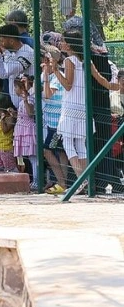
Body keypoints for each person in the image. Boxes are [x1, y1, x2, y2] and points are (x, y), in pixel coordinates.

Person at [49, 30, 112, 194]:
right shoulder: (87, 61)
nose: (60, 43)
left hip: (71, 107)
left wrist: (55, 70)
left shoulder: (70, 60)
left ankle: (81, 180)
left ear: (68, 44)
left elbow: (68, 85)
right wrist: (116, 87)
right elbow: (103, 80)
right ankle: (87, 180)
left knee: (68, 142)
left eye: (62, 41)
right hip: (84, 107)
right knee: (80, 145)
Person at [40, 45, 70, 195]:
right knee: (62, 152)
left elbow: (47, 94)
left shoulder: (56, 77)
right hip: (52, 121)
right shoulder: (53, 76)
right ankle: (63, 182)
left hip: (57, 123)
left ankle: (62, 182)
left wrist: (45, 75)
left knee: (47, 150)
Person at [0, 24, 35, 108]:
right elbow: (2, 74)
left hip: (29, 106)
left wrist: (4, 53)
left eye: (2, 41)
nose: (0, 44)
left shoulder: (27, 53)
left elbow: (8, 71)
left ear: (11, 41)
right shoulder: (11, 53)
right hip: (19, 107)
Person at [11, 76, 38, 189]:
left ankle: (37, 180)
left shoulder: (29, 99)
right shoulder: (21, 101)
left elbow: (30, 113)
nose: (14, 90)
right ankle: (34, 179)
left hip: (28, 130)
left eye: (16, 87)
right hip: (22, 128)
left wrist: (26, 100)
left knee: (33, 156)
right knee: (29, 157)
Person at [0, 95, 16, 172]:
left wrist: (2, 119)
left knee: (10, 168)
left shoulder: (9, 119)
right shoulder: (0, 120)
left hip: (7, 149)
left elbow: (5, 130)